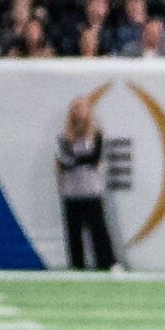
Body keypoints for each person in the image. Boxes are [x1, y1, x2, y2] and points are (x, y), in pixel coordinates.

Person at [55, 96, 114, 271]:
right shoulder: (64, 135)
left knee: (99, 229)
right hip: (71, 190)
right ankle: (77, 265)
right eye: (77, 108)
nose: (80, 112)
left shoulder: (96, 133)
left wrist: (77, 160)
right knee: (74, 232)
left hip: (91, 189)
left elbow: (94, 158)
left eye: (84, 108)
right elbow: (64, 160)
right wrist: (80, 160)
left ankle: (107, 262)